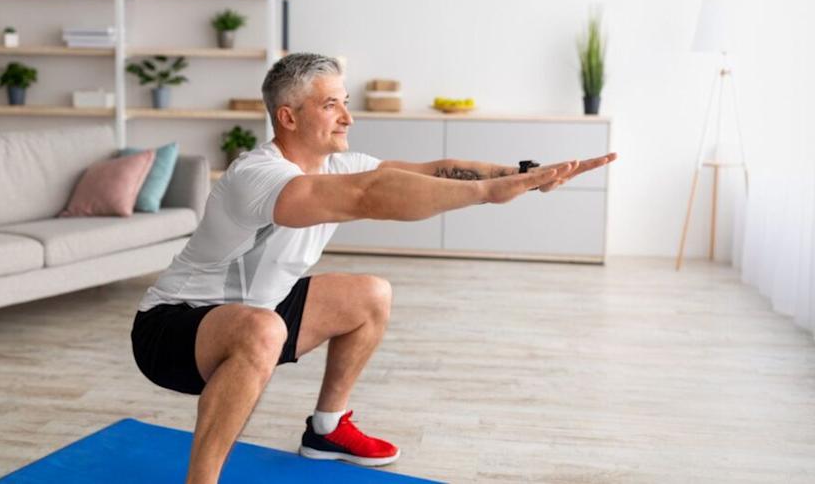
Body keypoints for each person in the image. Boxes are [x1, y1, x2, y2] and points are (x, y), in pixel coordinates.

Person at [131, 53, 617, 484]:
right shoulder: (258, 176)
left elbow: (434, 170)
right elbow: (372, 195)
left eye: (344, 102)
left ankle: (327, 429)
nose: (347, 117)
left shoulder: (339, 164)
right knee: (263, 328)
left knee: (370, 295)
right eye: (331, 106)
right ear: (288, 116)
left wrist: (524, 177)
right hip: (173, 327)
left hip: (260, 312)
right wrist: (486, 194)